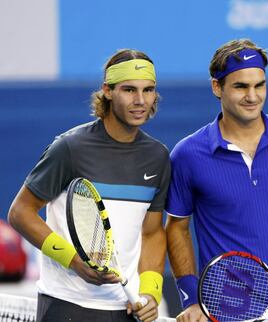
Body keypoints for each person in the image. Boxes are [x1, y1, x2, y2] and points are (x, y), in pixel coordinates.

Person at [165, 39, 268, 322]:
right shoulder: (187, 154)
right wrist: (191, 297)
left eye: (260, 85)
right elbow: (177, 228)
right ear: (217, 87)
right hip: (227, 313)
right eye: (241, 86)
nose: (252, 96)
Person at [8, 49, 171, 322]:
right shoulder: (69, 147)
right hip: (66, 305)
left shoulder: (158, 157)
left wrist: (151, 292)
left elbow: (152, 233)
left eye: (149, 90)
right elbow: (20, 213)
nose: (140, 100)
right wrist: (73, 261)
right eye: (129, 90)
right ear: (107, 91)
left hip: (127, 311)